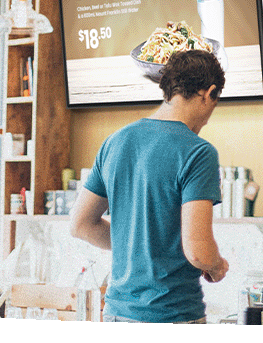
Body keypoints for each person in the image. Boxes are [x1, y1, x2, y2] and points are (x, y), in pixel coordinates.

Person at [70, 49, 229, 323]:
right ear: (208, 93)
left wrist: (136, 247)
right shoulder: (198, 152)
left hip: (117, 316)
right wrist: (217, 266)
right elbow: (199, 251)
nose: (208, 118)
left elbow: (81, 224)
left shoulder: (115, 142)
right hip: (172, 317)